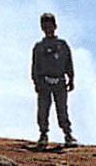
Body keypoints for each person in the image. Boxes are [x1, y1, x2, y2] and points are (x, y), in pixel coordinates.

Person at [31, 12, 77, 147]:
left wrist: (71, 78)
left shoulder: (62, 45)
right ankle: (43, 135)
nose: (47, 28)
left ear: (55, 26)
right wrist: (36, 81)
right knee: (43, 109)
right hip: (44, 81)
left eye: (50, 25)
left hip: (60, 81)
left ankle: (67, 134)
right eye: (44, 26)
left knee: (62, 109)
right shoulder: (39, 47)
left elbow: (69, 62)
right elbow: (35, 65)